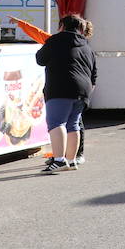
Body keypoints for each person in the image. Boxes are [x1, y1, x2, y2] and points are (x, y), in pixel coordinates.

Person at [36, 14, 97, 173]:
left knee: (56, 123)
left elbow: (40, 59)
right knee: (73, 124)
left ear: (62, 25)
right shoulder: (87, 45)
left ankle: (59, 160)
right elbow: (94, 72)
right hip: (83, 89)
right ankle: (71, 160)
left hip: (60, 87)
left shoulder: (56, 40)